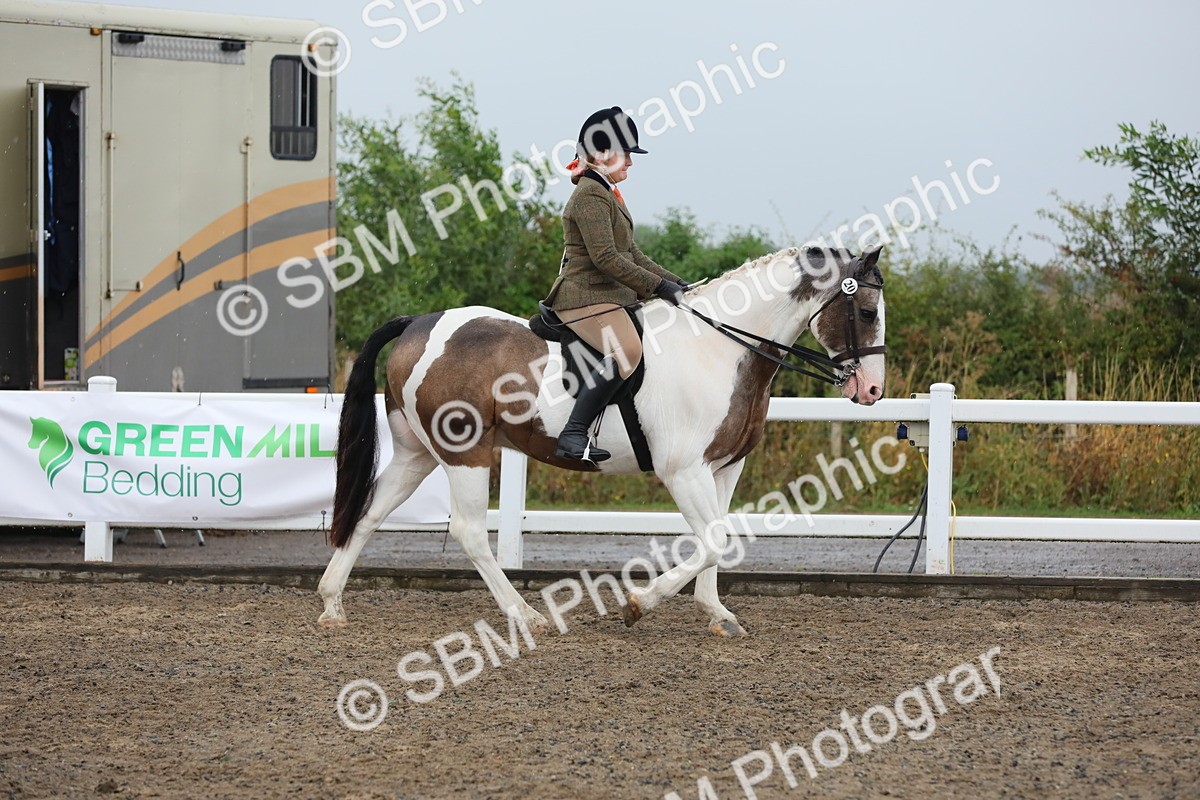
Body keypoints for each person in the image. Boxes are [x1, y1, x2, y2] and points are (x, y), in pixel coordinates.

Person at [543, 106, 690, 463]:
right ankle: (574, 434)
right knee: (626, 351)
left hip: (605, 295)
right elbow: (606, 258)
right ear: (603, 154)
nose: (630, 163)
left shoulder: (605, 193)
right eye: (626, 154)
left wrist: (677, 283)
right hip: (583, 295)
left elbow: (632, 253)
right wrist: (657, 287)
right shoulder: (590, 196)